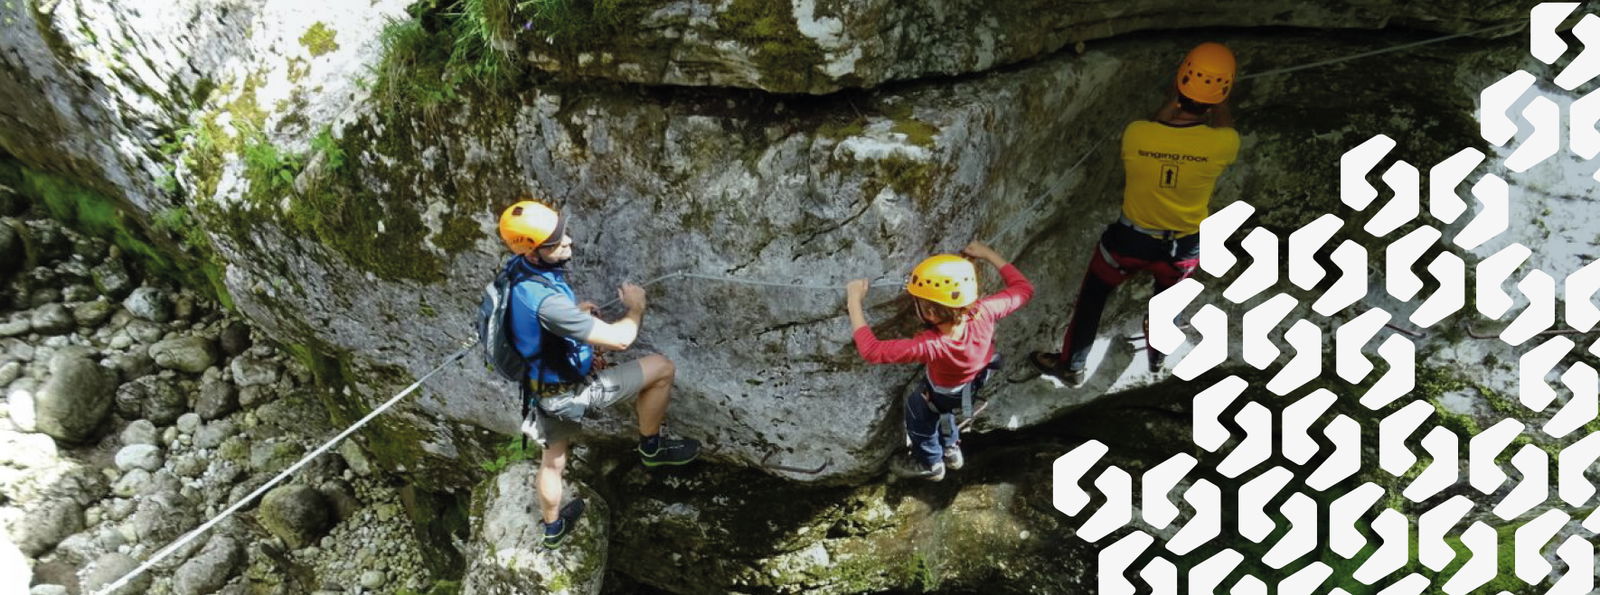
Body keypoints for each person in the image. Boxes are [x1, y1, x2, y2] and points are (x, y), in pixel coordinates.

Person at [1031, 42, 1241, 387]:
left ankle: (1072, 365)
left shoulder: (1137, 134)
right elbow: (1225, 125)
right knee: (1166, 306)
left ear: (1179, 84)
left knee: (1094, 297)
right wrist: (1219, 102)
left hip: (1129, 242)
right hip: (1181, 250)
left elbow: (1160, 122)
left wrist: (1175, 97)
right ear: (1222, 93)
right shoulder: (1222, 145)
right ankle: (1157, 359)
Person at [497, 200, 700, 549]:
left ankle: (553, 529)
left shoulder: (519, 274)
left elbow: (534, 323)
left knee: (552, 463)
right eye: (558, 242)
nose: (569, 242)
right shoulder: (549, 304)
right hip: (570, 392)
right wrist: (635, 308)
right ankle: (652, 445)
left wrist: (573, 315)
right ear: (533, 251)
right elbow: (621, 339)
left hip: (540, 389)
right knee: (662, 368)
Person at [847, 241, 1033, 480]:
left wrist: (854, 300)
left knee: (920, 413)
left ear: (931, 313)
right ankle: (951, 449)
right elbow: (1024, 288)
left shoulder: (933, 345)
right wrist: (987, 253)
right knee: (944, 409)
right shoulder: (986, 310)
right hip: (976, 379)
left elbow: (871, 350)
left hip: (945, 390)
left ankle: (931, 463)